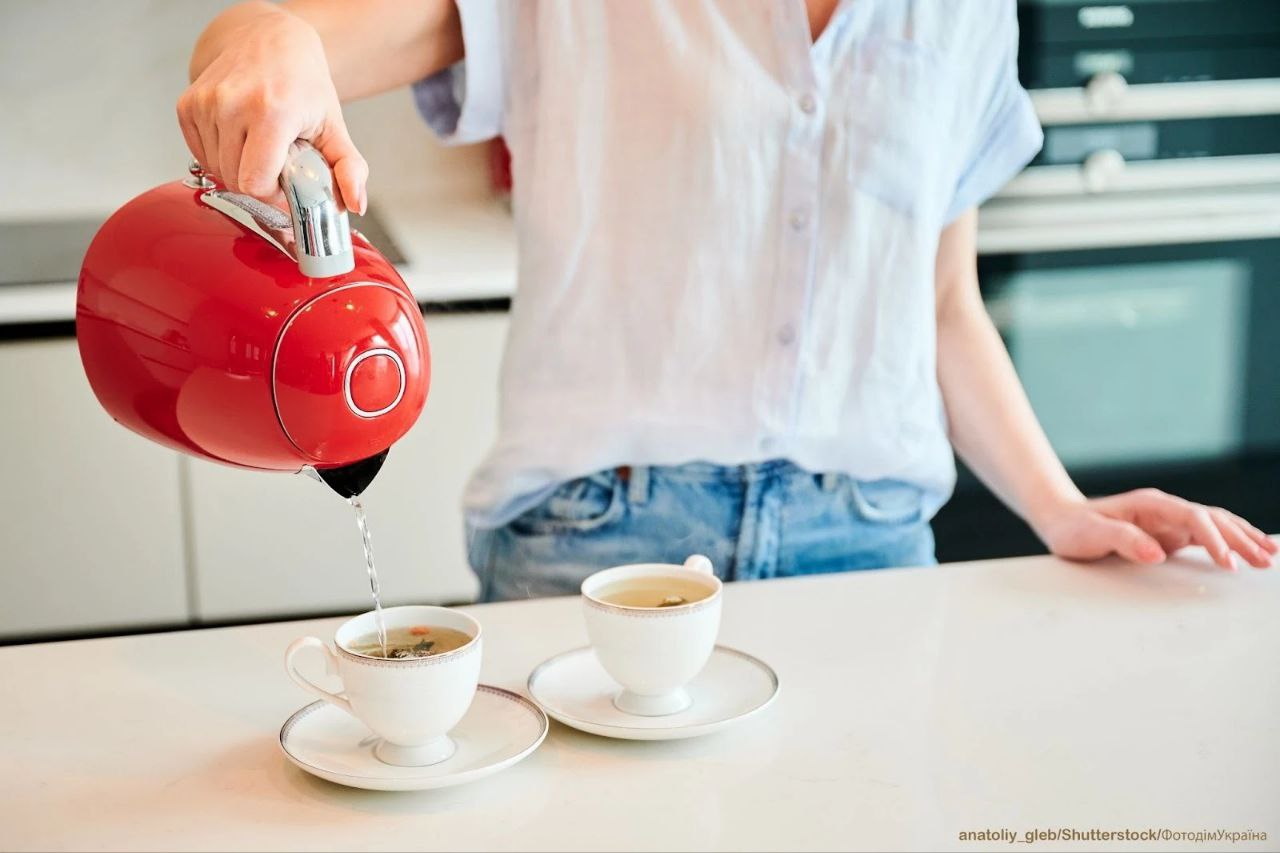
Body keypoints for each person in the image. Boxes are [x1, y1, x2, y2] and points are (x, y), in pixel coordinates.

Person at [181, 0, 1275, 600]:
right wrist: (266, 39)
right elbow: (280, 38)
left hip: (870, 553)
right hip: (597, 543)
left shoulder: (964, 14)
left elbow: (940, 302)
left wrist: (1060, 506)